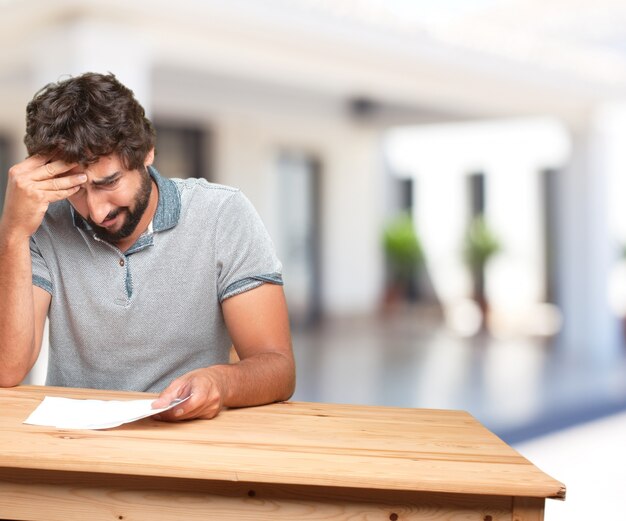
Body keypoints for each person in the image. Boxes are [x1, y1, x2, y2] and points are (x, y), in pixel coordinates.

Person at [0, 72, 295, 421]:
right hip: (77, 448)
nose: (97, 210)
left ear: (147, 152)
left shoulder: (222, 215)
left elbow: (278, 368)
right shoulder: (42, 224)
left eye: (109, 182)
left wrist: (221, 381)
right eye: (76, 190)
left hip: (189, 438)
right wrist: (13, 233)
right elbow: (8, 370)